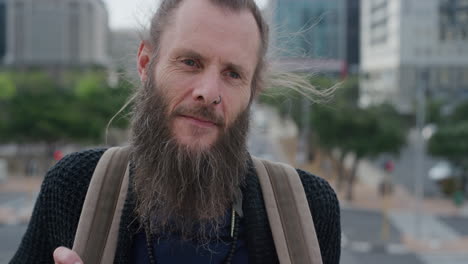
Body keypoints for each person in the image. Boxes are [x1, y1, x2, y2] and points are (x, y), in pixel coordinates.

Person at [10, 0, 341, 263]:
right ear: (145, 64)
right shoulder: (73, 188)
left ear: (253, 90)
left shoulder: (309, 211)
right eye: (190, 63)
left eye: (233, 74)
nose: (209, 92)